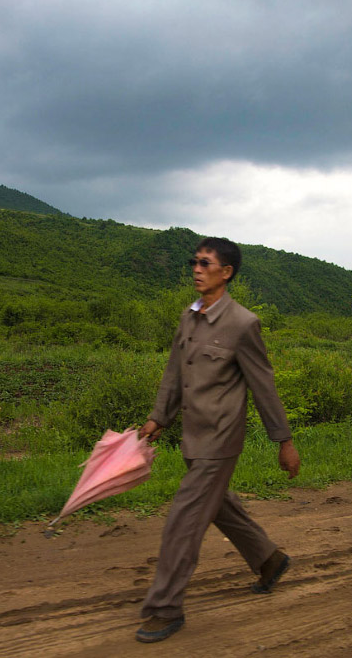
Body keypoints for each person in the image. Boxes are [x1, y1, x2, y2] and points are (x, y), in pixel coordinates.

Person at [135, 236, 300, 643]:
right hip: (193, 436)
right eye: (194, 262)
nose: (196, 269)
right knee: (219, 506)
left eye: (205, 263)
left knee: (184, 521)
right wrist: (159, 417)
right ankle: (269, 560)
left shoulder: (243, 324)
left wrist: (284, 441)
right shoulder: (189, 316)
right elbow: (175, 373)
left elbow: (263, 386)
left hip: (220, 441)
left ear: (226, 272)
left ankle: (165, 607)